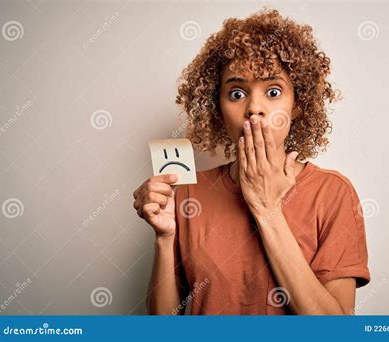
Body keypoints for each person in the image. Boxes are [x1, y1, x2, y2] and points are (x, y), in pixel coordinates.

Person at [133, 8, 370, 315]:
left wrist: (266, 207)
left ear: (297, 105)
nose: (254, 108)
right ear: (218, 108)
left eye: (273, 91)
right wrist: (165, 239)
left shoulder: (332, 192)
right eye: (236, 93)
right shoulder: (189, 192)